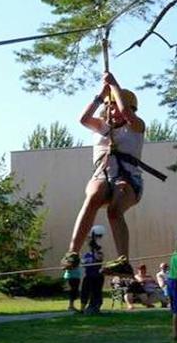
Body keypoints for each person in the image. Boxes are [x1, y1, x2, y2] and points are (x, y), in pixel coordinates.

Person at [60, 71, 159, 277]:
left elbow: (126, 113)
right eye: (110, 106)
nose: (115, 111)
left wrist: (114, 85)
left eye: (118, 106)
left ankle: (123, 260)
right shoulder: (100, 126)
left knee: (114, 211)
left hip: (128, 180)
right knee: (94, 195)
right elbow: (83, 118)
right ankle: (73, 252)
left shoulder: (136, 126)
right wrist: (100, 95)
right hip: (102, 177)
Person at [80, 226, 105, 315]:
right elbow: (82, 263)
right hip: (89, 276)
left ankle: (96, 307)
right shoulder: (86, 255)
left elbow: (99, 258)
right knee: (85, 291)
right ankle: (82, 309)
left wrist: (95, 249)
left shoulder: (99, 254)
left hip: (97, 276)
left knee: (96, 293)